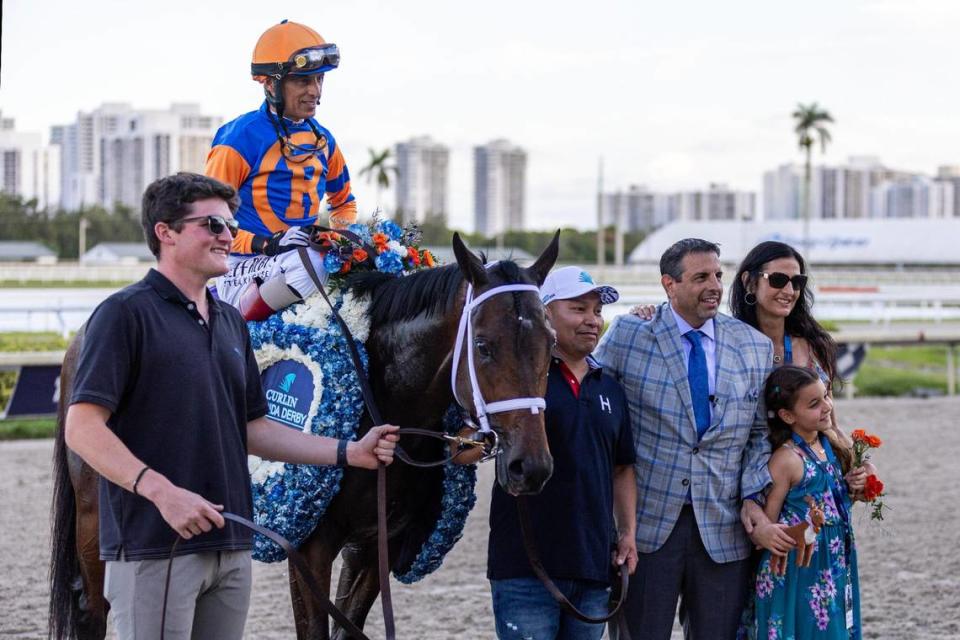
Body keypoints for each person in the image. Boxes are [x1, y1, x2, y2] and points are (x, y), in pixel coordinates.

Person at [64, 173, 398, 640]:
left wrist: (349, 451)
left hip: (230, 546)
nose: (229, 237)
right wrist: (162, 492)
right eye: (214, 226)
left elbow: (253, 430)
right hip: (156, 546)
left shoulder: (229, 322)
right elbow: (82, 428)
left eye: (230, 225)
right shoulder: (123, 315)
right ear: (166, 232)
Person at [595, 238, 795, 640]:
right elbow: (594, 400)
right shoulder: (630, 333)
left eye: (719, 275)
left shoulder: (753, 346)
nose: (715, 286)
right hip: (648, 527)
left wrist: (753, 495)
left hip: (723, 528)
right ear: (669, 284)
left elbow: (758, 434)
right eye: (701, 276)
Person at [484, 266, 638, 640]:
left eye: (597, 311)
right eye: (578, 309)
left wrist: (628, 533)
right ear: (546, 313)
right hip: (525, 568)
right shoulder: (519, 381)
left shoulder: (611, 388)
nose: (592, 321)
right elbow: (467, 449)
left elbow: (621, 468)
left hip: (593, 566)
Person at [205, 20, 358, 320]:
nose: (315, 91)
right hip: (242, 264)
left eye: (319, 80)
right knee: (311, 262)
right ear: (271, 83)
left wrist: (342, 238)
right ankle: (237, 325)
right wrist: (267, 243)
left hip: (294, 261)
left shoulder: (324, 140)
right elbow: (210, 221)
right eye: (303, 81)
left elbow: (344, 202)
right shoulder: (239, 138)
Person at [751, 365, 862, 639]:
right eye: (814, 403)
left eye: (826, 396)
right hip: (799, 566)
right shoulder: (787, 459)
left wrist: (854, 490)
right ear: (788, 416)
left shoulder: (830, 445)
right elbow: (767, 523)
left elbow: (835, 506)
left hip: (834, 559)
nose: (826, 406)